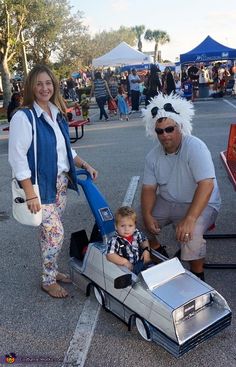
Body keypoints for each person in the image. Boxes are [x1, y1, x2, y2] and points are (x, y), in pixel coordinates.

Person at [8, 64, 98, 299]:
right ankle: (48, 280)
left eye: (48, 83)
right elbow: (17, 158)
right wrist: (29, 193)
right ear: (30, 87)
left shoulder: (56, 113)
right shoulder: (24, 117)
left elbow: (65, 150)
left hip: (59, 184)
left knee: (48, 234)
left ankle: (52, 268)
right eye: (39, 83)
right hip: (40, 187)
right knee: (56, 233)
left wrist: (85, 165)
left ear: (54, 86)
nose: (44, 88)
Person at [141, 93, 221, 281]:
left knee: (189, 234)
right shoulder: (152, 156)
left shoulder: (195, 147)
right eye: (160, 131)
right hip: (169, 201)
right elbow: (148, 189)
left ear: (180, 127)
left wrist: (190, 218)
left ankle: (197, 275)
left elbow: (206, 184)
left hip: (202, 202)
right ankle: (157, 250)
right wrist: (146, 215)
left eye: (169, 129)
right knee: (137, 223)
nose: (165, 135)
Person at [106, 206, 152, 274]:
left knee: (152, 268)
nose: (127, 229)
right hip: (128, 269)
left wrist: (146, 250)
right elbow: (110, 255)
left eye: (130, 225)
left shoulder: (136, 233)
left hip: (140, 262)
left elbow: (144, 240)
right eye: (122, 226)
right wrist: (124, 262)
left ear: (135, 225)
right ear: (116, 226)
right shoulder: (115, 240)